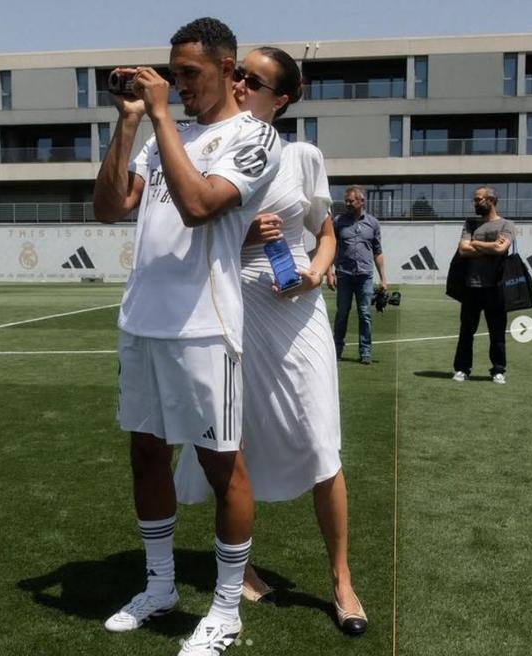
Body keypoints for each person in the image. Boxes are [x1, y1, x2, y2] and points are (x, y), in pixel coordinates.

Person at [93, 18, 281, 656]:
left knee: (222, 465)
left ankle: (225, 611)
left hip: (205, 327)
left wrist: (160, 117)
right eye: (173, 75)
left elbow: (200, 205)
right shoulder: (157, 136)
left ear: (228, 70)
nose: (178, 86)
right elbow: (109, 207)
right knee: (146, 454)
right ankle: (160, 585)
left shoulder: (254, 137)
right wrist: (129, 124)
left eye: (190, 74)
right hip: (142, 322)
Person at [174, 46, 367, 635]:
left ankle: (341, 580)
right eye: (236, 73)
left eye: (251, 79)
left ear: (280, 99)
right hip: (232, 309)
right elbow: (187, 240)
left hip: (297, 310)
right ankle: (240, 567)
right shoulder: (207, 151)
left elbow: (325, 233)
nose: (237, 83)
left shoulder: (302, 156)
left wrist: (314, 273)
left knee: (321, 442)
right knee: (232, 442)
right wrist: (242, 236)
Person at [452, 186, 515, 383]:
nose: (475, 203)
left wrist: (476, 243)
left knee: (497, 332)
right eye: (475, 199)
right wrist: (490, 246)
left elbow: (502, 249)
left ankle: (498, 370)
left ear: (491, 200)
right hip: (471, 286)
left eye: (478, 199)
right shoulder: (470, 223)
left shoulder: (506, 224)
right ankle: (462, 369)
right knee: (466, 331)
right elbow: (463, 250)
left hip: (496, 287)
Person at [327, 186, 387, 364]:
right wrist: (329, 272)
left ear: (362, 201)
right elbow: (331, 247)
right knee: (342, 314)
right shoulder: (338, 221)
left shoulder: (373, 223)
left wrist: (383, 279)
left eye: (351, 201)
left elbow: (378, 252)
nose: (347, 203)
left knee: (365, 314)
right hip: (344, 275)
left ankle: (365, 352)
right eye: (346, 200)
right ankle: (337, 350)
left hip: (364, 276)